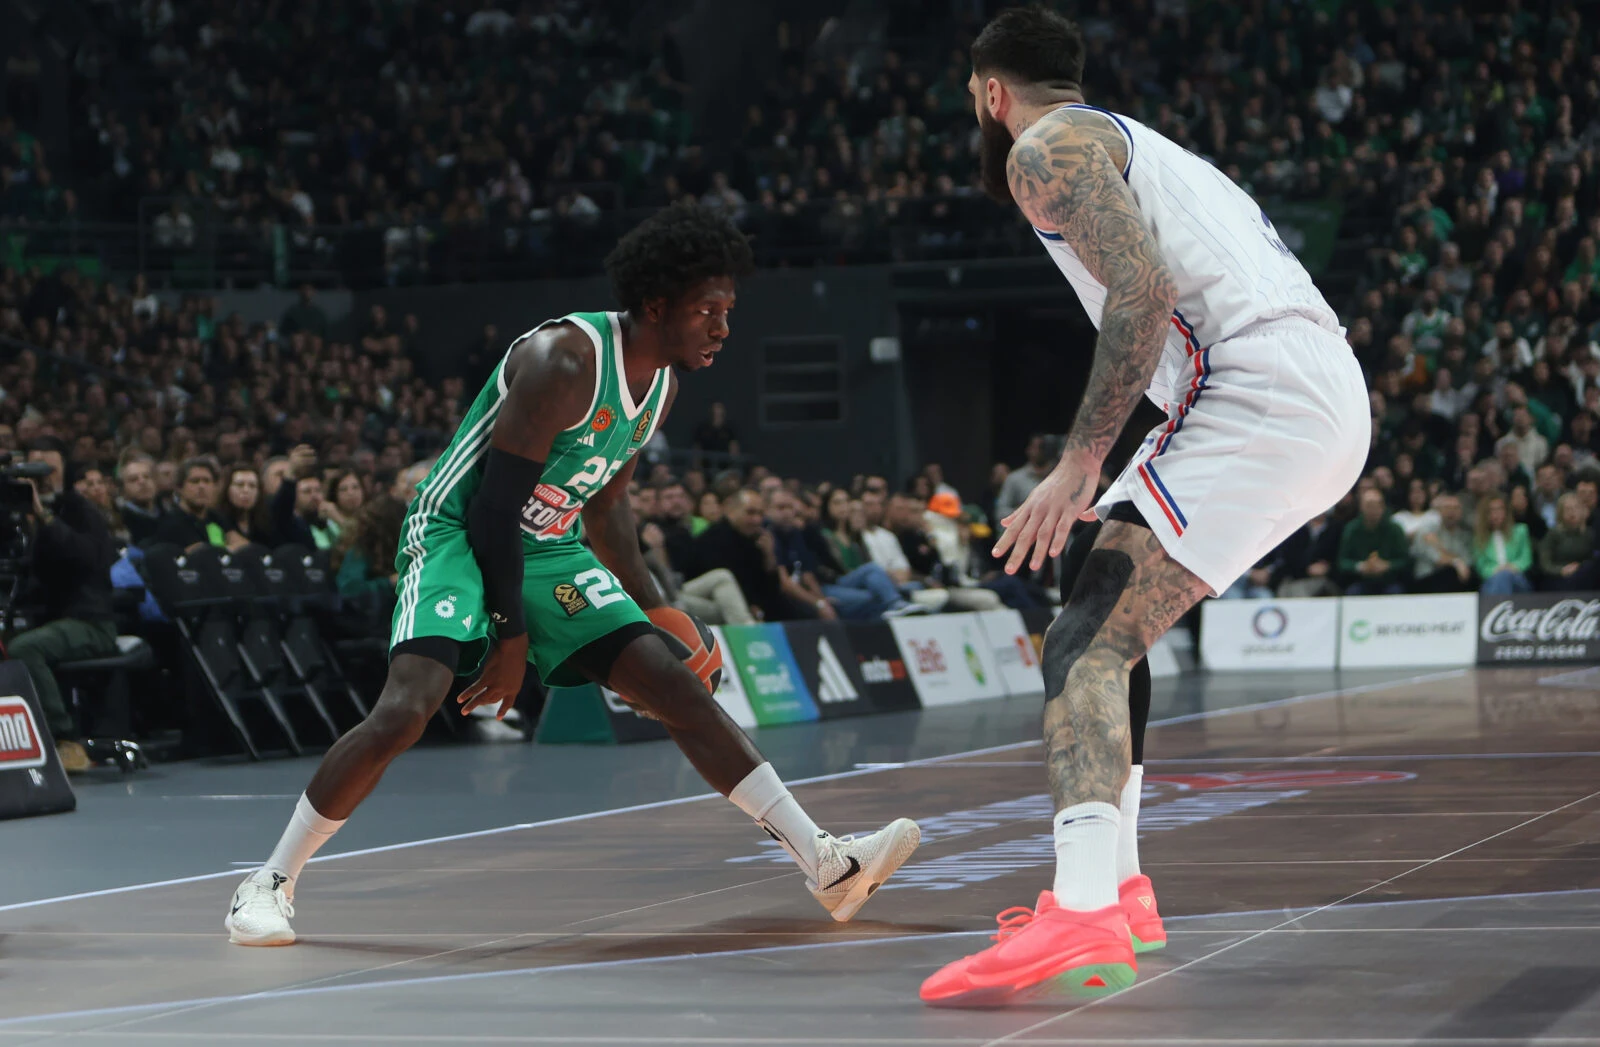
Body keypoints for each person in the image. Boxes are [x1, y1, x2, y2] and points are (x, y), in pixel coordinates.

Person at [227, 203, 919, 946]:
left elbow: (608, 509)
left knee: (677, 686)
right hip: (459, 530)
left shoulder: (662, 388)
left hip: (549, 542)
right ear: (657, 304)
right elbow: (493, 510)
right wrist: (512, 642)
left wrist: (656, 612)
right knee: (407, 709)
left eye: (727, 310)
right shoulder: (566, 359)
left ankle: (828, 865)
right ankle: (268, 880)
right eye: (706, 311)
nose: (722, 327)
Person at [921, 9, 1368, 1005]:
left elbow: (1139, 290)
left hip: (1257, 389)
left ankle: (1082, 911)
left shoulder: (1047, 145)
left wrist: (1080, 462)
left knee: (1081, 645)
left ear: (990, 93)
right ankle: (1119, 891)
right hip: (1301, 385)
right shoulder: (1137, 143)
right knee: (1100, 623)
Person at [6, 440, 120, 773]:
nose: (41, 478)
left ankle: (63, 738)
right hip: (45, 620)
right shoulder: (12, 512)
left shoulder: (80, 510)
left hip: (90, 621)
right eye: (33, 469)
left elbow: (88, 560)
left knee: (26, 648)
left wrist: (44, 518)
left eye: (49, 469)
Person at [149, 458, 226, 550]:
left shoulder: (217, 518)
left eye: (206, 481)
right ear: (179, 488)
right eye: (195, 481)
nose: (201, 486)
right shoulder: (170, 524)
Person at [1411, 493, 1477, 593]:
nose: (1451, 512)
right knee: (1450, 572)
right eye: (1447, 508)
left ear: (1461, 512)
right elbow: (1436, 558)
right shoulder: (1427, 531)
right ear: (1440, 511)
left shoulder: (1465, 536)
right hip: (1428, 579)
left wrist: (1440, 547)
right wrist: (1456, 561)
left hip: (1455, 581)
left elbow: (1467, 562)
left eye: (1455, 508)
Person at [1474, 493, 1534, 595]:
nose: (1496, 514)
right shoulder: (1480, 538)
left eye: (1499, 509)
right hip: (1492, 579)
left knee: (1505, 576)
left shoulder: (1521, 531)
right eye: (1492, 510)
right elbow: (1481, 566)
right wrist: (1497, 570)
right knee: (1500, 579)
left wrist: (1511, 568)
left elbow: (1526, 558)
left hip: (1517, 578)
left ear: (1506, 511)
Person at [1537, 493, 1596, 591]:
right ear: (1560, 513)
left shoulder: (1589, 534)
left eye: (1575, 508)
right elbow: (1545, 563)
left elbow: (1593, 560)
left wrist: (1581, 568)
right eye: (1568, 509)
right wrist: (1561, 570)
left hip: (1585, 576)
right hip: (1558, 578)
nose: (1572, 513)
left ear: (1582, 511)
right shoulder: (1553, 534)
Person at [116, 449, 163, 546]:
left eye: (147, 477)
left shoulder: (168, 513)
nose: (142, 482)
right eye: (133, 479)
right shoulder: (121, 521)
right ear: (123, 490)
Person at [219, 466, 271, 549]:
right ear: (227, 489)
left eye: (252, 486)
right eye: (240, 485)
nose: (246, 490)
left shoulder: (265, 524)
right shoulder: (217, 520)